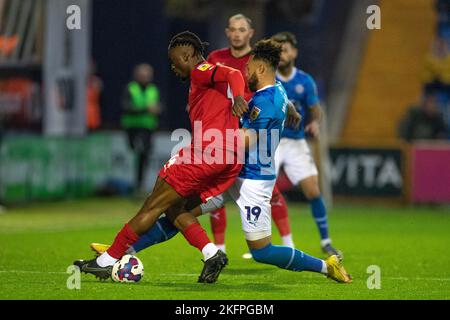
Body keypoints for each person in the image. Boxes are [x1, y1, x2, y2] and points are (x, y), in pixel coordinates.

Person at [91, 39, 352, 284]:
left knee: (262, 251)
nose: (245, 71)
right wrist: (292, 111)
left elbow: (245, 140)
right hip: (232, 172)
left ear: (260, 68)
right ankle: (123, 250)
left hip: (253, 180)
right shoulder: (275, 90)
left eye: (248, 67)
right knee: (177, 210)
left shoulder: (267, 102)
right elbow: (277, 99)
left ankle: (325, 266)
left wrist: (208, 139)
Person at [74, 31, 248, 284]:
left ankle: (106, 261)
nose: (172, 65)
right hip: (229, 157)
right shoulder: (210, 85)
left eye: (175, 59)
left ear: (187, 55)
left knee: (152, 205)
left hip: (207, 153)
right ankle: (212, 254)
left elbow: (233, 73)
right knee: (174, 206)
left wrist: (240, 97)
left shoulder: (201, 70)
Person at [206, 13, 295, 254]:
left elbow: (274, 87)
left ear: (250, 33)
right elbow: (205, 88)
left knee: (267, 190)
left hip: (251, 132)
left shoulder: (257, 61)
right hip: (226, 129)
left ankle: (286, 243)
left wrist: (290, 108)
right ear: (227, 32)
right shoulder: (216, 58)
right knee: (212, 192)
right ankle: (219, 248)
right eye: (232, 29)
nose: (236, 33)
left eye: (241, 29)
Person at [271, 31, 342, 256]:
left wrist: (315, 123)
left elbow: (315, 108)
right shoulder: (268, 78)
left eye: (286, 49)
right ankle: (261, 243)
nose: (282, 54)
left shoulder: (304, 81)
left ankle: (326, 241)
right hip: (270, 142)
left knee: (313, 189)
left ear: (295, 52)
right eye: (278, 50)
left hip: (295, 142)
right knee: (261, 191)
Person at [121, 64, 161, 193]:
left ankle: (140, 184)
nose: (145, 78)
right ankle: (133, 184)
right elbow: (125, 107)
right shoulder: (131, 88)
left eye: (147, 75)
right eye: (142, 75)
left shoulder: (153, 90)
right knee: (135, 151)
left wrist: (157, 110)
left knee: (145, 153)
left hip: (148, 127)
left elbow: (158, 107)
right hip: (132, 127)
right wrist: (145, 110)